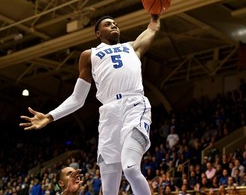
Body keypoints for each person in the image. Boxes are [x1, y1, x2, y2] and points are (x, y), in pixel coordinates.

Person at [20, 14, 161, 195]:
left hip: (134, 105)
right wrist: (49, 116)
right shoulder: (89, 55)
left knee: (131, 168)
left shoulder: (132, 48)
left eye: (115, 23)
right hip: (108, 114)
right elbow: (78, 98)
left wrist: (156, 14)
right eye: (108, 24)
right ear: (97, 33)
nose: (114, 25)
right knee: (109, 189)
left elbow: (151, 29)